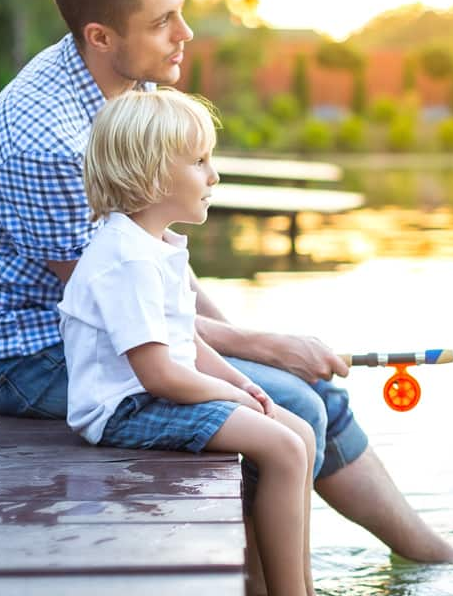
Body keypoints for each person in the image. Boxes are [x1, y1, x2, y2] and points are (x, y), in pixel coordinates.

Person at [0, 0, 453, 565]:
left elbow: (157, 268)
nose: (184, 34)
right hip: (26, 358)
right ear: (101, 36)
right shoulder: (49, 144)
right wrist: (260, 350)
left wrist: (249, 343)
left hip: (114, 328)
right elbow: (119, 304)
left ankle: (428, 558)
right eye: (164, 21)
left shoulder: (131, 81)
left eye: (180, 12)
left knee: (311, 392)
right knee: (289, 401)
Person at [61, 89, 315, 595]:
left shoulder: (155, 245)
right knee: (283, 448)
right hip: (123, 409)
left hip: (155, 393)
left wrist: (243, 382)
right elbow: (159, 373)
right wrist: (233, 396)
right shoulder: (127, 259)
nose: (214, 175)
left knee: (299, 434)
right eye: (200, 161)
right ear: (152, 175)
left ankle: (290, 585)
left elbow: (187, 341)